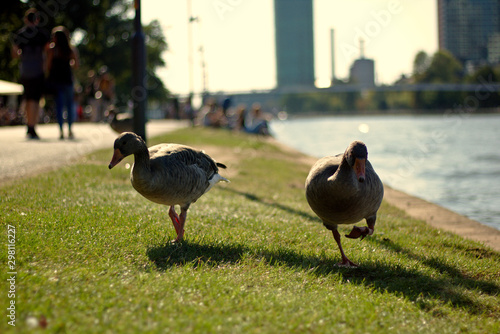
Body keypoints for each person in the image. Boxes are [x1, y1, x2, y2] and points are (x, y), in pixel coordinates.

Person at [11, 8, 50, 139]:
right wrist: (46, 68)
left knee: (28, 99)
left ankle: (29, 126)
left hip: (26, 71)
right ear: (37, 20)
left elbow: (15, 54)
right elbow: (47, 52)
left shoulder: (20, 34)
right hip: (38, 71)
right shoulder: (42, 34)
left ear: (26, 20)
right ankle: (33, 125)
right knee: (36, 100)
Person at [46, 26, 80, 139]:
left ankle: (61, 130)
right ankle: (70, 129)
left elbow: (48, 66)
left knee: (59, 106)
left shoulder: (52, 49)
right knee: (69, 106)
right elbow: (76, 65)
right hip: (67, 80)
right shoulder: (70, 50)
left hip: (57, 81)